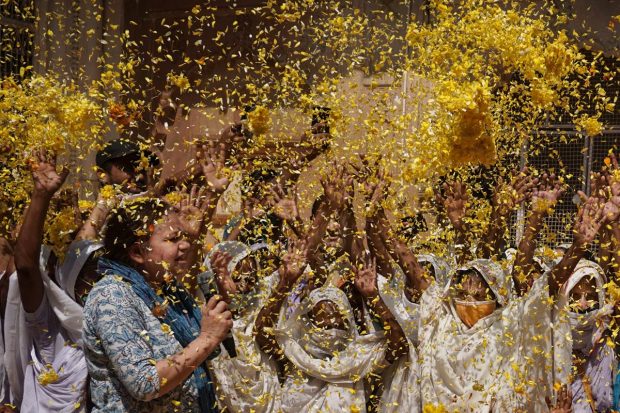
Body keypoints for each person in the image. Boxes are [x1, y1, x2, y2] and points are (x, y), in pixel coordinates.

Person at [82, 197, 232, 412]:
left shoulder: (166, 288)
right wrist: (207, 338)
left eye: (182, 237)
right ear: (137, 253)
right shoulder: (113, 295)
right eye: (172, 239)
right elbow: (144, 383)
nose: (185, 245)